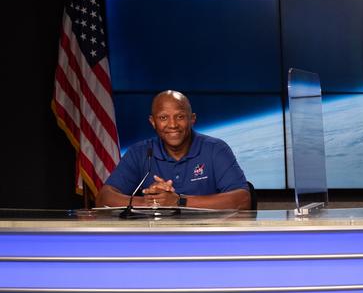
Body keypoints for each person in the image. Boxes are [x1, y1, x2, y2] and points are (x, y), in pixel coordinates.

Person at [97, 90, 251, 210]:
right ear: (153, 122)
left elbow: (243, 200)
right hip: (155, 241)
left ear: (192, 119)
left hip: (206, 237)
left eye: (180, 117)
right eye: (163, 118)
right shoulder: (140, 152)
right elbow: (103, 198)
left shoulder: (215, 149)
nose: (172, 125)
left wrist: (179, 201)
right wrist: (153, 202)